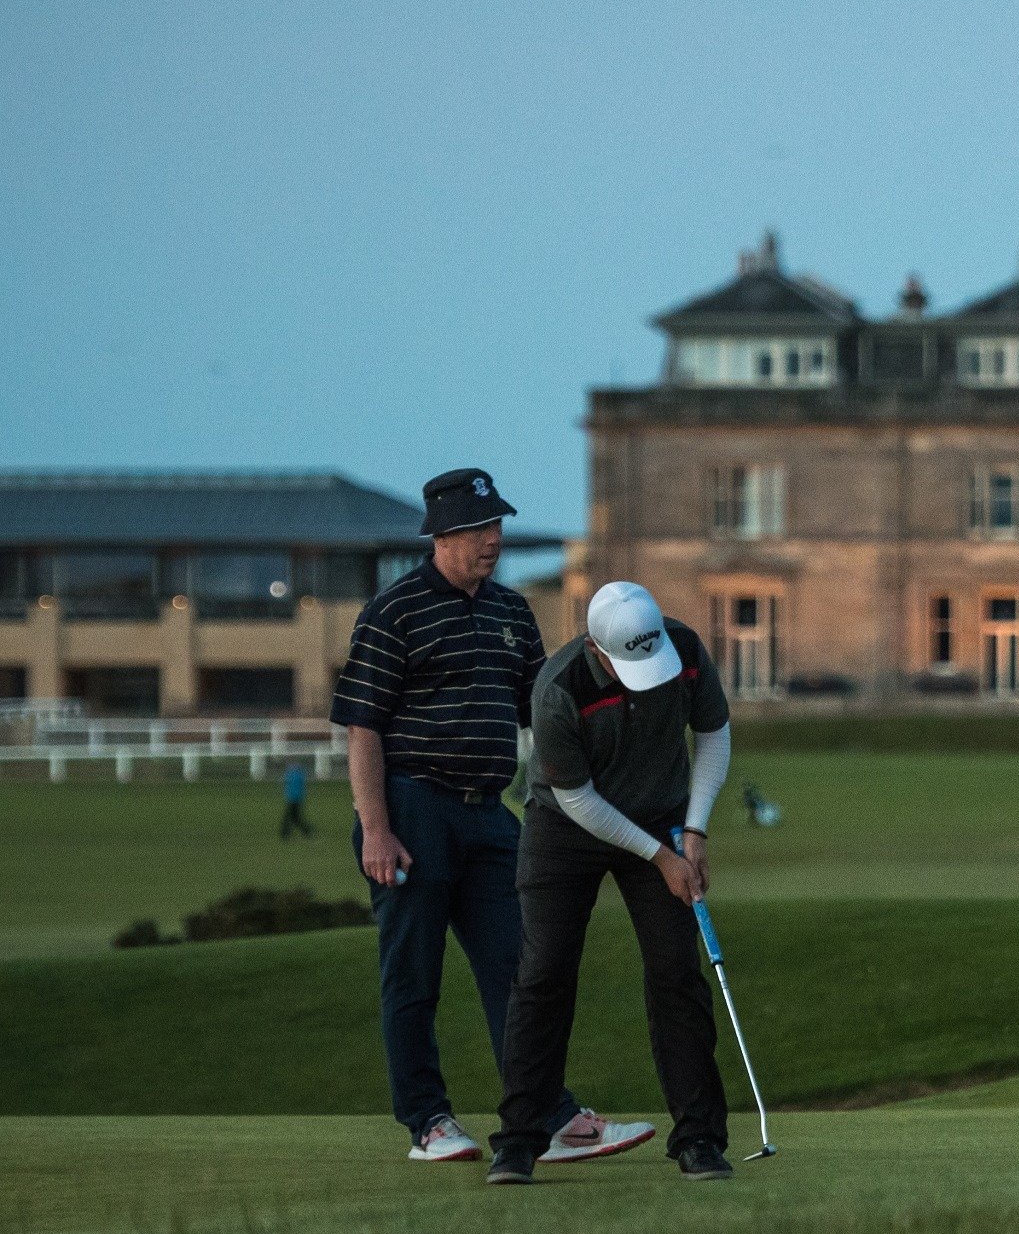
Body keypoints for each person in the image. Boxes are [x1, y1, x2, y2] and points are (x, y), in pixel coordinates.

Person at [330, 468, 650, 1166]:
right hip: (412, 809)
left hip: (488, 813)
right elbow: (362, 729)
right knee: (414, 977)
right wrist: (377, 828)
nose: (494, 540)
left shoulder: (510, 612)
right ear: (442, 534)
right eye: (479, 529)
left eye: (498, 526)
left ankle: (549, 1116)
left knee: (520, 969)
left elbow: (542, 710)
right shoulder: (395, 611)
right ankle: (428, 1122)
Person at [487, 581, 736, 1185]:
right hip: (564, 825)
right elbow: (578, 798)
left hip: (661, 815)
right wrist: (661, 856)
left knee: (677, 972)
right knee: (544, 971)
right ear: (598, 651)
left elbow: (713, 736)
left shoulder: (683, 650)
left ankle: (699, 1138)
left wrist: (694, 831)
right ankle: (521, 1138)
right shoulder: (557, 687)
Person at [279, 761, 315, 841]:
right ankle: (307, 831)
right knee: (295, 818)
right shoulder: (300, 775)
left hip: (293, 799)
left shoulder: (292, 775)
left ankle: (285, 833)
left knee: (290, 817)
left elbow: (286, 784)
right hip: (298, 799)